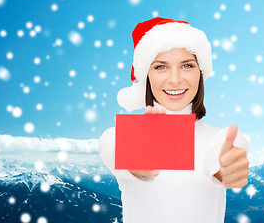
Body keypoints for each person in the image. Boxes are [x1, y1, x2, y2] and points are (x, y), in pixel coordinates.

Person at [98, 17, 249, 223]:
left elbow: (227, 154)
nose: (175, 79)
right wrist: (139, 158)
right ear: (147, 76)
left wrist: (228, 168)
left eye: (187, 65)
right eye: (161, 67)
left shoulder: (221, 138)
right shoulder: (116, 136)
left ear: (200, 73)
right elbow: (118, 151)